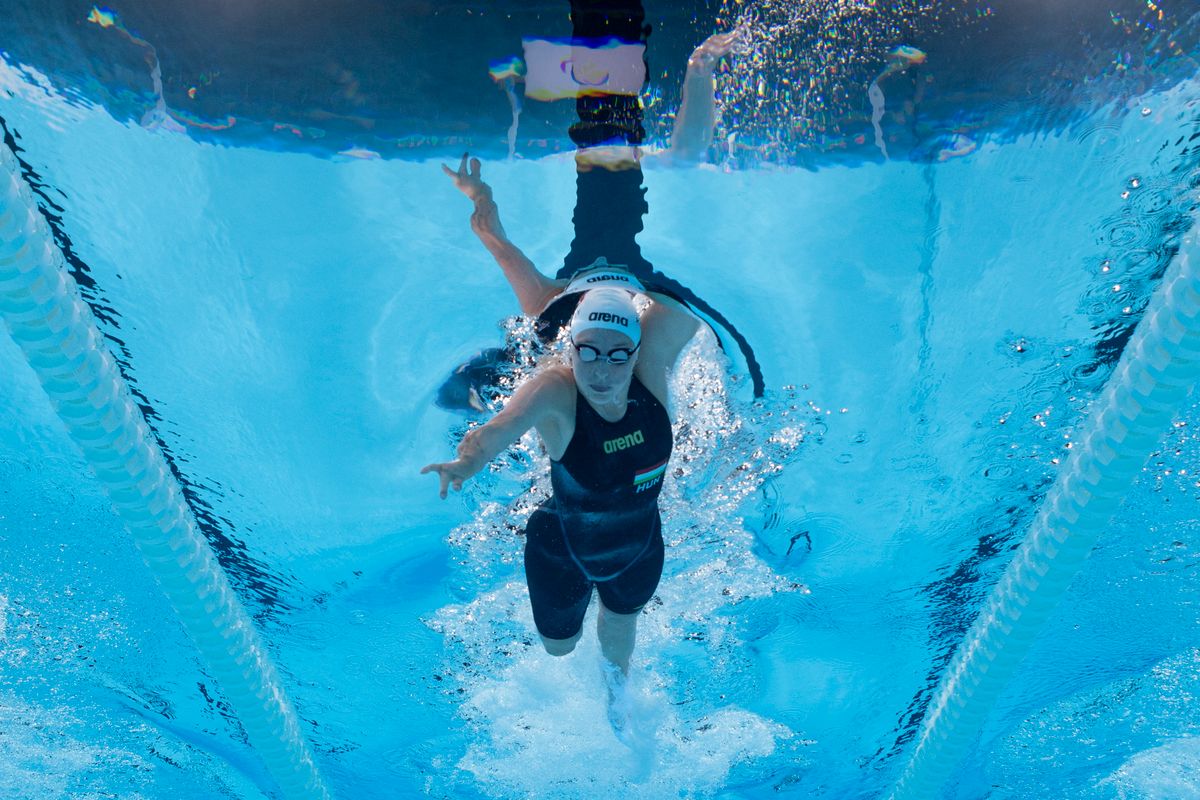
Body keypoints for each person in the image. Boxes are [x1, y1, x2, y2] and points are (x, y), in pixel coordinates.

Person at [422, 283, 699, 730]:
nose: (602, 370)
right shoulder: (556, 390)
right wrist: (468, 460)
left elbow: (686, 301)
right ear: (572, 348)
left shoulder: (649, 369)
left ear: (635, 352)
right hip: (561, 548)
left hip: (639, 546)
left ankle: (617, 702)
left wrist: (628, 270)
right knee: (559, 648)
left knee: (620, 631)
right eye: (588, 351)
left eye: (617, 355)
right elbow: (503, 425)